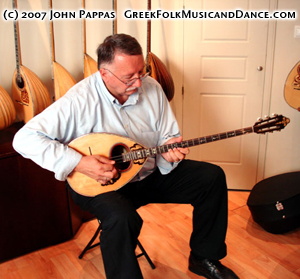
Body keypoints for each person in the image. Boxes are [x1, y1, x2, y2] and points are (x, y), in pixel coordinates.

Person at [13, 33, 239, 279]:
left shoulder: (152, 89)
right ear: (104, 74)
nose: (139, 83)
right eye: (129, 77)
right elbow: (24, 139)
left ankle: (203, 257)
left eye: (141, 73)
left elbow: (168, 136)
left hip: (147, 174)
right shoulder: (79, 100)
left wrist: (170, 153)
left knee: (211, 178)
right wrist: (79, 162)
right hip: (99, 185)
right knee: (122, 219)